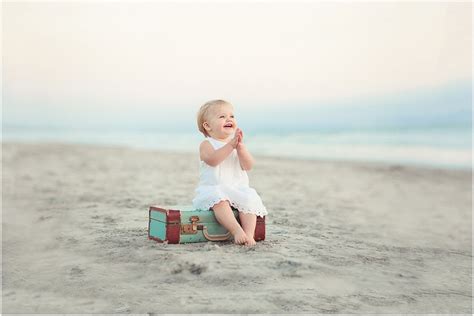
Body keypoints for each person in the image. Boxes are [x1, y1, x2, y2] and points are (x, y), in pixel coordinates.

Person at [192, 99, 268, 246]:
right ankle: (236, 231)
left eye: (231, 116)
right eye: (222, 117)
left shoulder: (236, 145)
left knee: (249, 199)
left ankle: (249, 235)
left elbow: (248, 166)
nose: (229, 119)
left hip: (236, 188)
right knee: (220, 201)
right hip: (214, 188)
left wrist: (240, 148)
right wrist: (231, 145)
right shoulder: (207, 144)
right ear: (207, 126)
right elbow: (213, 160)